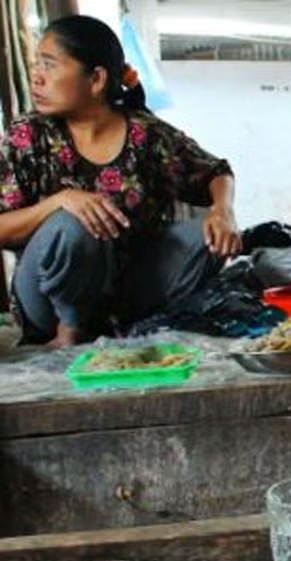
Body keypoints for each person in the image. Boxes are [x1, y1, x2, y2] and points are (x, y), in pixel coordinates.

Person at [0, 15, 241, 348]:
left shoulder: (146, 135)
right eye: (36, 65)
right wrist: (59, 202)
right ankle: (71, 330)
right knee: (75, 221)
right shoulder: (26, 136)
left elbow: (216, 170)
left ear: (96, 79)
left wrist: (223, 210)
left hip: (124, 296)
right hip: (46, 305)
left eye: (50, 66)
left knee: (206, 234)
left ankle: (144, 326)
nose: (36, 78)